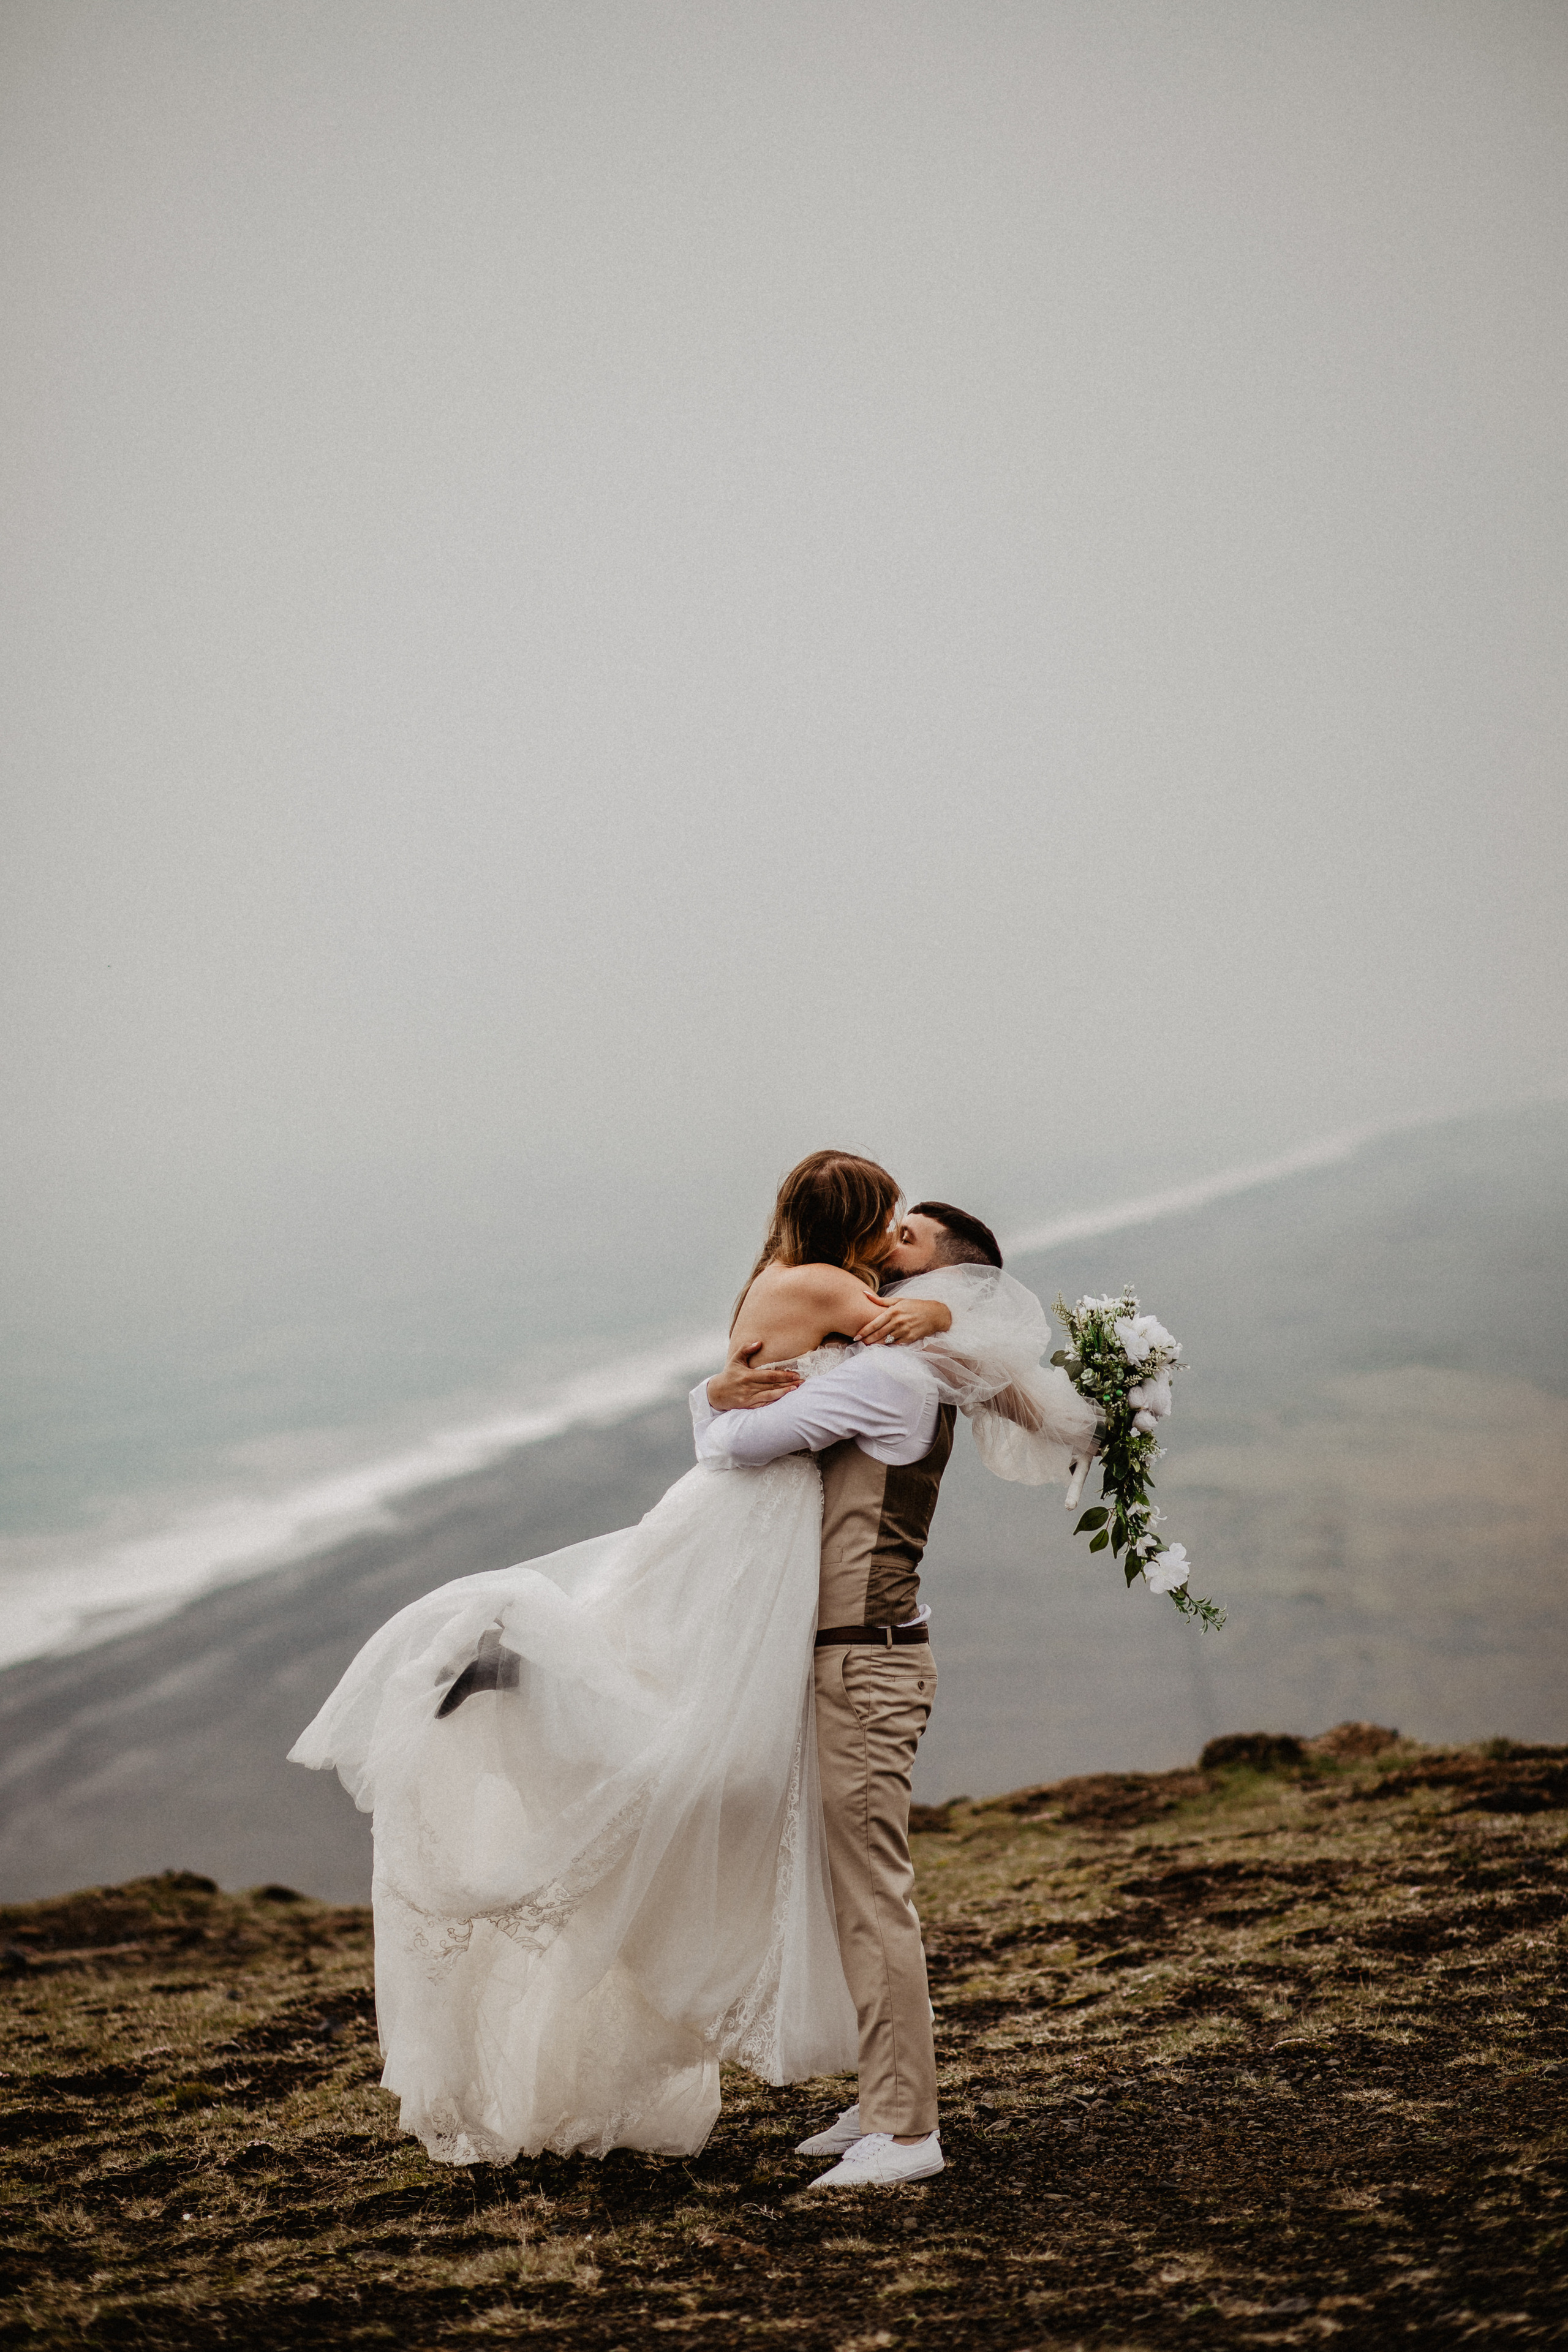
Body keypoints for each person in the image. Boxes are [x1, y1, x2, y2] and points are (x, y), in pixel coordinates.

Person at [288, 1150, 957, 2163]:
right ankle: (528, 1665)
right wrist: (946, 1311)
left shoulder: (797, 1291)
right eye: (888, 1223)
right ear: (855, 1223)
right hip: (755, 1509)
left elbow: (744, 1413)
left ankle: (532, 1674)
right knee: (678, 1698)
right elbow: (856, 1363)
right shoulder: (835, 1293)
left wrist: (722, 1393)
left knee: (662, 1660)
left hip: (755, 1516)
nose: (893, 1248)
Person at [691, 1200, 1101, 2188]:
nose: (878, 1244)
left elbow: (729, 1448)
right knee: (849, 1888)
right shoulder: (894, 1363)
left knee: (873, 1895)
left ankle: (907, 2131)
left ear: (943, 1287)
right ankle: (883, 2094)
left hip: (864, 1662)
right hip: (850, 1654)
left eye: (904, 1240)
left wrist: (715, 1393)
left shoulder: (887, 1374)